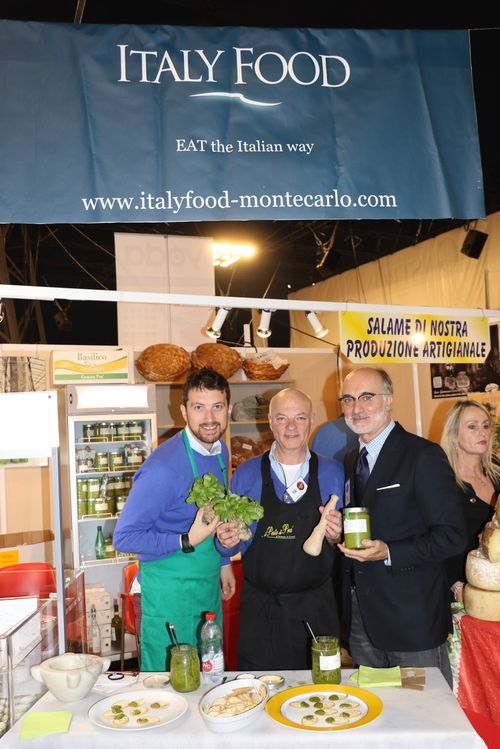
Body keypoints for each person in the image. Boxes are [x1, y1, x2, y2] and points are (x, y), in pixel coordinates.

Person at [337, 367, 467, 688]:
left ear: (389, 400)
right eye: (348, 399)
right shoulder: (350, 460)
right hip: (362, 620)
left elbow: (452, 536)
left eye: (367, 397)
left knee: (424, 709)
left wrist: (389, 552)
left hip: (412, 622)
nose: (357, 408)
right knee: (375, 710)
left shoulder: (422, 455)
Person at [113, 367, 236, 671]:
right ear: (184, 411)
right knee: (169, 682)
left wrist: (224, 562)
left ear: (229, 409)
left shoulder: (220, 451)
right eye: (199, 407)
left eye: (217, 406)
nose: (209, 418)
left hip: (206, 586)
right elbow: (124, 538)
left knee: (208, 670)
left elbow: (215, 514)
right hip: (167, 593)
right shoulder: (161, 468)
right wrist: (186, 539)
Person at [216, 387, 344, 670]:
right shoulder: (247, 473)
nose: (291, 426)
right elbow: (232, 540)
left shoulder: (332, 471)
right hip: (261, 611)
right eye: (282, 418)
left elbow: (343, 540)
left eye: (300, 417)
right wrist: (225, 545)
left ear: (311, 420)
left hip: (317, 607)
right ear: (271, 422)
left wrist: (337, 536)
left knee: (320, 690)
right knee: (260, 689)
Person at [440, 399, 500, 603]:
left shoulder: (496, 470)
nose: (482, 433)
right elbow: (433, 539)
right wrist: (456, 585)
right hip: (465, 588)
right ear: (453, 435)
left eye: (486, 425)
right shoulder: (442, 480)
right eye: (472, 426)